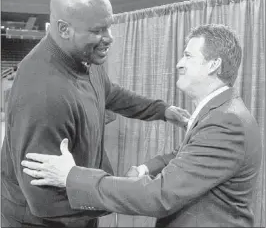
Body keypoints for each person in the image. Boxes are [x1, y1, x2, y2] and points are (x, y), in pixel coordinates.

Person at [22, 24, 262, 227]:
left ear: (213, 65)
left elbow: (158, 195)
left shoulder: (226, 122)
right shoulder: (220, 111)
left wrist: (71, 177)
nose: (179, 63)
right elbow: (184, 156)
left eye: (188, 56)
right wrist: (145, 169)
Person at [1, 0, 190, 228]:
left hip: (81, 204)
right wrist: (116, 197)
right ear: (64, 29)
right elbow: (43, 201)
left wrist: (163, 111)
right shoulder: (43, 95)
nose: (109, 38)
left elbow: (109, 93)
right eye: (97, 31)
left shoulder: (83, 57)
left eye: (108, 28)